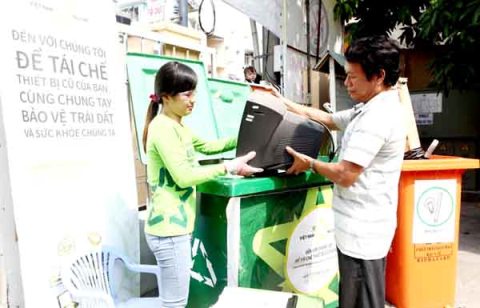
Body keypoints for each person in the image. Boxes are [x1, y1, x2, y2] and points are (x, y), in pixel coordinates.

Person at [278, 36, 406, 308]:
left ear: (379, 76)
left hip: (363, 234)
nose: (346, 83)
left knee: (363, 301)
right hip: (356, 229)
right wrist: (285, 104)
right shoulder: (369, 107)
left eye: (352, 77)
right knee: (354, 297)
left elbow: (345, 174)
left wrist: (309, 163)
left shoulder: (378, 117)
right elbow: (329, 119)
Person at [142, 61, 262, 307]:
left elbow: (208, 147)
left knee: (174, 300)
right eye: (187, 94)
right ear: (166, 97)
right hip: (168, 230)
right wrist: (230, 166)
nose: (193, 99)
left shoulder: (177, 126)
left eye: (194, 92)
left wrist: (248, 135)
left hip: (174, 227)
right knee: (175, 303)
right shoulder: (163, 128)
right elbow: (185, 176)